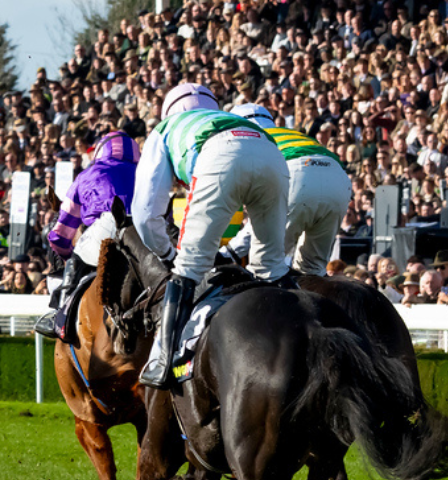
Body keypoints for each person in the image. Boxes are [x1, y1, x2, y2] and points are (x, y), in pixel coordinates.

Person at [133, 83, 291, 388]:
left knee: (188, 268)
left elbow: (145, 212)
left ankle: (163, 363)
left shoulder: (165, 129)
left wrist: (166, 254)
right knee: (272, 268)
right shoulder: (227, 117)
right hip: (270, 152)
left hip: (220, 155)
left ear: (168, 110)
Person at [33, 132, 140, 344]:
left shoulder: (88, 174)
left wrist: (66, 255)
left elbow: (61, 232)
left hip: (109, 227)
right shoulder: (147, 171)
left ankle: (60, 319)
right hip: (146, 233)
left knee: (75, 259)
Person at [230, 104, 353, 277]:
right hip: (337, 177)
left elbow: (261, 214)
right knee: (313, 271)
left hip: (297, 174)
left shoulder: (245, 137)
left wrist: (228, 252)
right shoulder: (294, 134)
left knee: (265, 267)